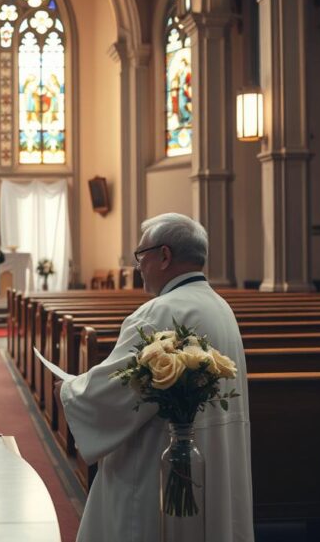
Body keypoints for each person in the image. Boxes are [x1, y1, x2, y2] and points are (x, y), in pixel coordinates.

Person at [59, 213, 254, 542]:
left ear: (164, 256)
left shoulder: (158, 311)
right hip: (215, 458)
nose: (138, 266)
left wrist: (68, 391)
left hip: (157, 465)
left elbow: (116, 391)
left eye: (141, 255)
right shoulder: (221, 307)